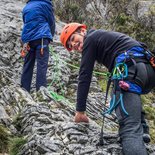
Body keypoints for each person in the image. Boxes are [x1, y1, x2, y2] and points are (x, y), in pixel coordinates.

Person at [60, 23, 155, 155]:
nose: (73, 45)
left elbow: (84, 75)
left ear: (82, 31)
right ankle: (143, 128)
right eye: (70, 46)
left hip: (130, 70)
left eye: (72, 39)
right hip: (147, 71)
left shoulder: (90, 39)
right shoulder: (102, 37)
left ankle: (136, 133)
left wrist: (80, 111)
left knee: (129, 130)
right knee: (117, 94)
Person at [20, 0, 55, 92]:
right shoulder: (46, 5)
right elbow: (51, 22)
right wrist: (50, 36)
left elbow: (25, 22)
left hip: (28, 41)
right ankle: (40, 91)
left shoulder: (26, 7)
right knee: (42, 65)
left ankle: (24, 90)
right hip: (42, 38)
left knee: (27, 65)